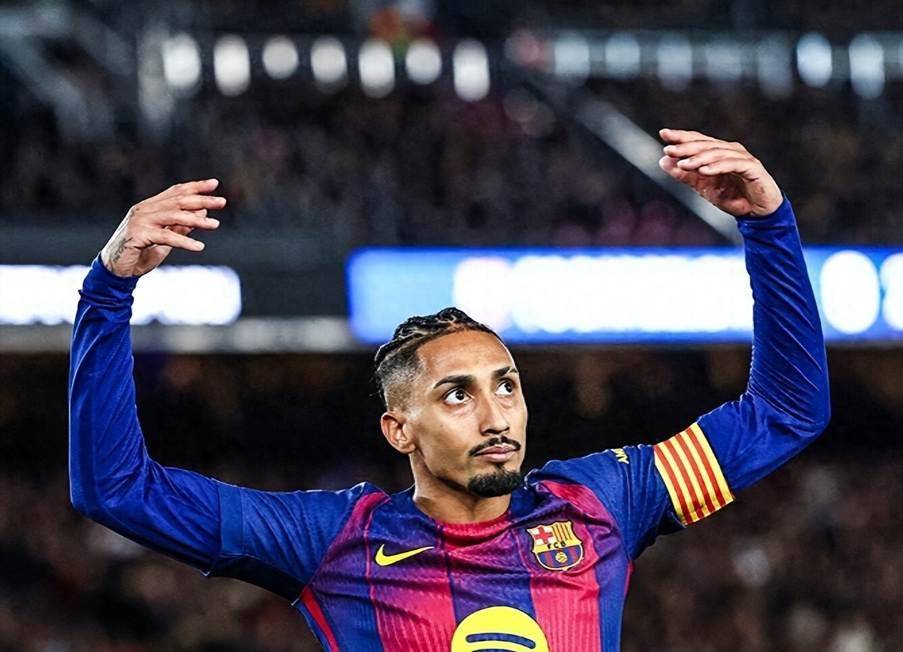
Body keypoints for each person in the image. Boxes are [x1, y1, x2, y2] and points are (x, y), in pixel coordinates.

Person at [69, 129, 830, 651]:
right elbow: (116, 489)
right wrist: (107, 292)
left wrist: (768, 225)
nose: (496, 415)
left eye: (506, 386)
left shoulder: (602, 502)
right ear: (399, 429)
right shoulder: (333, 542)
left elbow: (786, 411)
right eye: (457, 395)